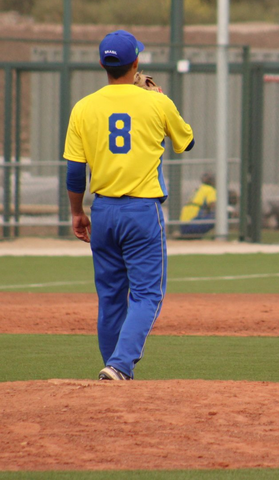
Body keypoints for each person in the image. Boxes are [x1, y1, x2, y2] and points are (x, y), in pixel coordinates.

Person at [63, 30, 195, 381]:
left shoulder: (83, 107)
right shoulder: (156, 102)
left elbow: (75, 172)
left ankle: (114, 369)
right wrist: (159, 98)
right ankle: (120, 366)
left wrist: (77, 212)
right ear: (136, 63)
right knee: (148, 295)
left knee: (110, 298)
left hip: (103, 211)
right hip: (141, 212)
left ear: (103, 65)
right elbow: (187, 141)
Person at [180, 172, 217, 236]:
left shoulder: (198, 189)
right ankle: (219, 236)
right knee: (218, 216)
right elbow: (213, 204)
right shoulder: (210, 189)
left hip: (182, 226)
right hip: (192, 224)